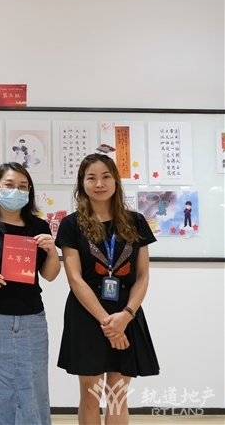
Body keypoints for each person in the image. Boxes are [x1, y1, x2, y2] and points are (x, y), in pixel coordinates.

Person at [56, 153, 159, 424]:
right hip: (87, 315)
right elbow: (75, 279)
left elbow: (143, 276)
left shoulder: (136, 221)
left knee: (117, 396)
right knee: (91, 397)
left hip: (127, 313)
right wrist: (108, 323)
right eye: (91, 178)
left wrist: (125, 316)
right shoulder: (71, 224)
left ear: (115, 181)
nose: (99, 183)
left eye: (105, 176)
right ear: (82, 184)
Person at [0, 163, 60, 425]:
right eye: (10, 185)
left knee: (32, 388)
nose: (17, 191)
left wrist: (52, 251)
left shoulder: (39, 227)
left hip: (32, 319)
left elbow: (49, 275)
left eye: (23, 186)